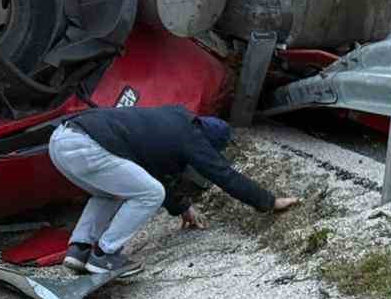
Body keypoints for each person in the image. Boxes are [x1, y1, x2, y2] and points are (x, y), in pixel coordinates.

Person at [48, 106, 299, 277]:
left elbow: (145, 175)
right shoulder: (194, 138)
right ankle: (104, 254)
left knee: (111, 192)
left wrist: (182, 207)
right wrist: (269, 201)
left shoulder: (173, 120)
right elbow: (224, 175)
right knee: (151, 194)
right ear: (208, 141)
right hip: (86, 145)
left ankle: (79, 250)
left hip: (61, 140)